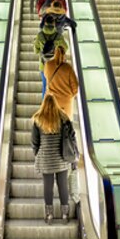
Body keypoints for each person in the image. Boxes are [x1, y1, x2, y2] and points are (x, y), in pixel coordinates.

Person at [31, 93, 78, 224]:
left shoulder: (38, 119)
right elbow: (72, 137)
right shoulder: (64, 118)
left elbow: (34, 142)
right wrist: (74, 155)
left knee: (48, 186)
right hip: (61, 158)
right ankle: (64, 214)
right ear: (56, 103)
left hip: (46, 159)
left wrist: (38, 154)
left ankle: (49, 215)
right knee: (63, 186)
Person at [34, 14, 69, 97]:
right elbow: (66, 48)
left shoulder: (40, 35)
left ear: (45, 23)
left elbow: (36, 51)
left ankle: (44, 105)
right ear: (54, 24)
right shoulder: (58, 36)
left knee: (44, 86)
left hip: (44, 65)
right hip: (55, 65)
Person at [44, 45, 79, 118]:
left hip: (51, 101)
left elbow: (46, 76)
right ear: (64, 55)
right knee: (65, 124)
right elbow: (75, 87)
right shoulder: (68, 67)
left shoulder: (48, 65)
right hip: (66, 103)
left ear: (55, 53)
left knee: (52, 123)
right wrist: (69, 95)